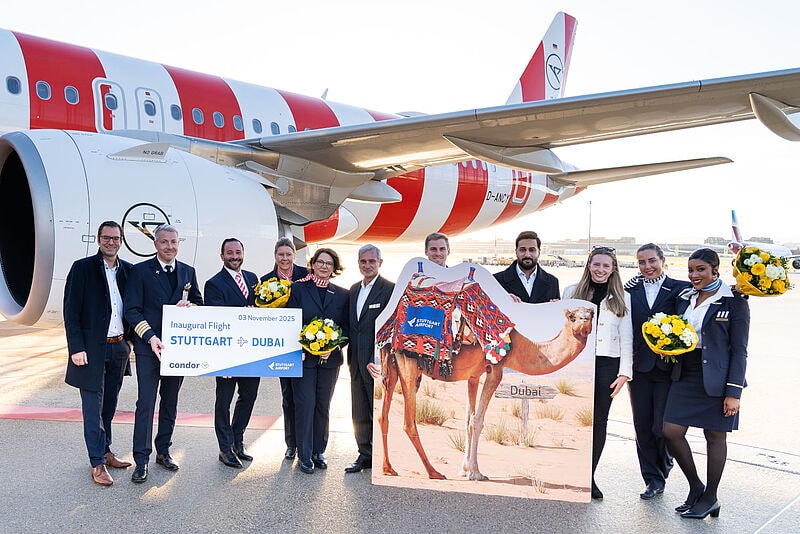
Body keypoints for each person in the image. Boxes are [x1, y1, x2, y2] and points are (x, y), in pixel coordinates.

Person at [663, 248, 749, 519]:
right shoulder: (685, 298)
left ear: (715, 270)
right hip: (686, 373)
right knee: (670, 431)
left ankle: (711, 497)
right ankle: (696, 487)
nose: (694, 275)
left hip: (718, 379)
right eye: (691, 270)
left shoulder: (734, 301)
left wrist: (734, 392)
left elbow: (740, 350)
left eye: (700, 269)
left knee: (714, 436)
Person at [124, 224, 203, 483]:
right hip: (150, 348)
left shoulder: (188, 271)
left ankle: (164, 451)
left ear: (179, 244)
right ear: (155, 244)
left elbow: (200, 304)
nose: (170, 247)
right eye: (164, 242)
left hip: (177, 349)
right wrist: (150, 337)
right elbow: (132, 310)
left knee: (170, 402)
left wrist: (190, 307)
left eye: (174, 242)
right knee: (146, 404)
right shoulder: (140, 271)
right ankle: (141, 459)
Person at [63, 221, 133, 486]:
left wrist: (129, 342)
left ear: (121, 241)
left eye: (115, 238)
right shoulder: (82, 268)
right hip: (91, 350)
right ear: (98, 239)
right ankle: (97, 463)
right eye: (106, 238)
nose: (111, 242)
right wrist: (76, 348)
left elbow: (133, 307)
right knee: (93, 408)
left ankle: (106, 450)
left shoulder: (128, 271)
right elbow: (71, 311)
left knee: (109, 405)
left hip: (118, 347)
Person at [562, 246, 632, 500]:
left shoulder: (622, 297)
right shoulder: (571, 292)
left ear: (613, 269)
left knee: (599, 421)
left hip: (606, 365)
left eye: (605, 266)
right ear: (589, 265)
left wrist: (624, 374)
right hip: (577, 362)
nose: (600, 270)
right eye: (596, 264)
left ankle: (589, 476)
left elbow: (627, 337)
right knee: (575, 419)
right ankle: (571, 472)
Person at [625, 243, 691, 500]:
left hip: (667, 369)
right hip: (639, 367)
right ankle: (652, 479)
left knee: (661, 427)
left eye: (652, 261)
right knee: (642, 426)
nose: (647, 266)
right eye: (642, 262)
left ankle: (663, 463)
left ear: (663, 260)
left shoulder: (680, 289)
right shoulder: (629, 290)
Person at [285, 248, 349, 474]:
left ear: (334, 268)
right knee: (305, 405)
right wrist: (302, 346)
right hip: (304, 359)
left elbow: (347, 327)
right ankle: (304, 454)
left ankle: (318, 451)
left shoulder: (342, 294)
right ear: (312, 264)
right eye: (320, 262)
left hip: (330, 361)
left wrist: (333, 347)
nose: (324, 266)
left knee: (323, 405)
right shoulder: (298, 289)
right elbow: (290, 322)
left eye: (328, 263)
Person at [204, 238, 260, 469]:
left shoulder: (253, 279)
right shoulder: (213, 284)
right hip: (227, 354)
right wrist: (244, 314)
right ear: (222, 256)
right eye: (230, 253)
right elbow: (217, 319)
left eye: (238, 252)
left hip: (251, 353)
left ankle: (238, 440)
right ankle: (225, 448)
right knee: (223, 402)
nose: (234, 256)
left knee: (248, 397)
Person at [345, 244, 394, 473]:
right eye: (363, 261)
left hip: (377, 365)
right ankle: (364, 454)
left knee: (379, 411)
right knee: (359, 411)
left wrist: (382, 360)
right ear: (358, 264)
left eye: (372, 261)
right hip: (355, 362)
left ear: (380, 263)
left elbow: (393, 328)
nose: (367, 265)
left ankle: (382, 456)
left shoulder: (390, 290)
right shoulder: (354, 289)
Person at [261, 237, 309, 461]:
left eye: (288, 254)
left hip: (306, 344)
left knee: (305, 398)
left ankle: (306, 443)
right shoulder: (265, 281)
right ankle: (291, 444)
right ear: (275, 256)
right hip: (283, 347)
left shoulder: (306, 276)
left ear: (294, 256)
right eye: (281, 254)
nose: (285, 258)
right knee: (288, 396)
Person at [494, 230, 560, 303]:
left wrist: (557, 307)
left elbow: (559, 310)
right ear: (516, 251)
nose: (527, 255)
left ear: (539, 252)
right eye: (522, 250)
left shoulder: (552, 283)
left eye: (532, 250)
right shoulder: (496, 281)